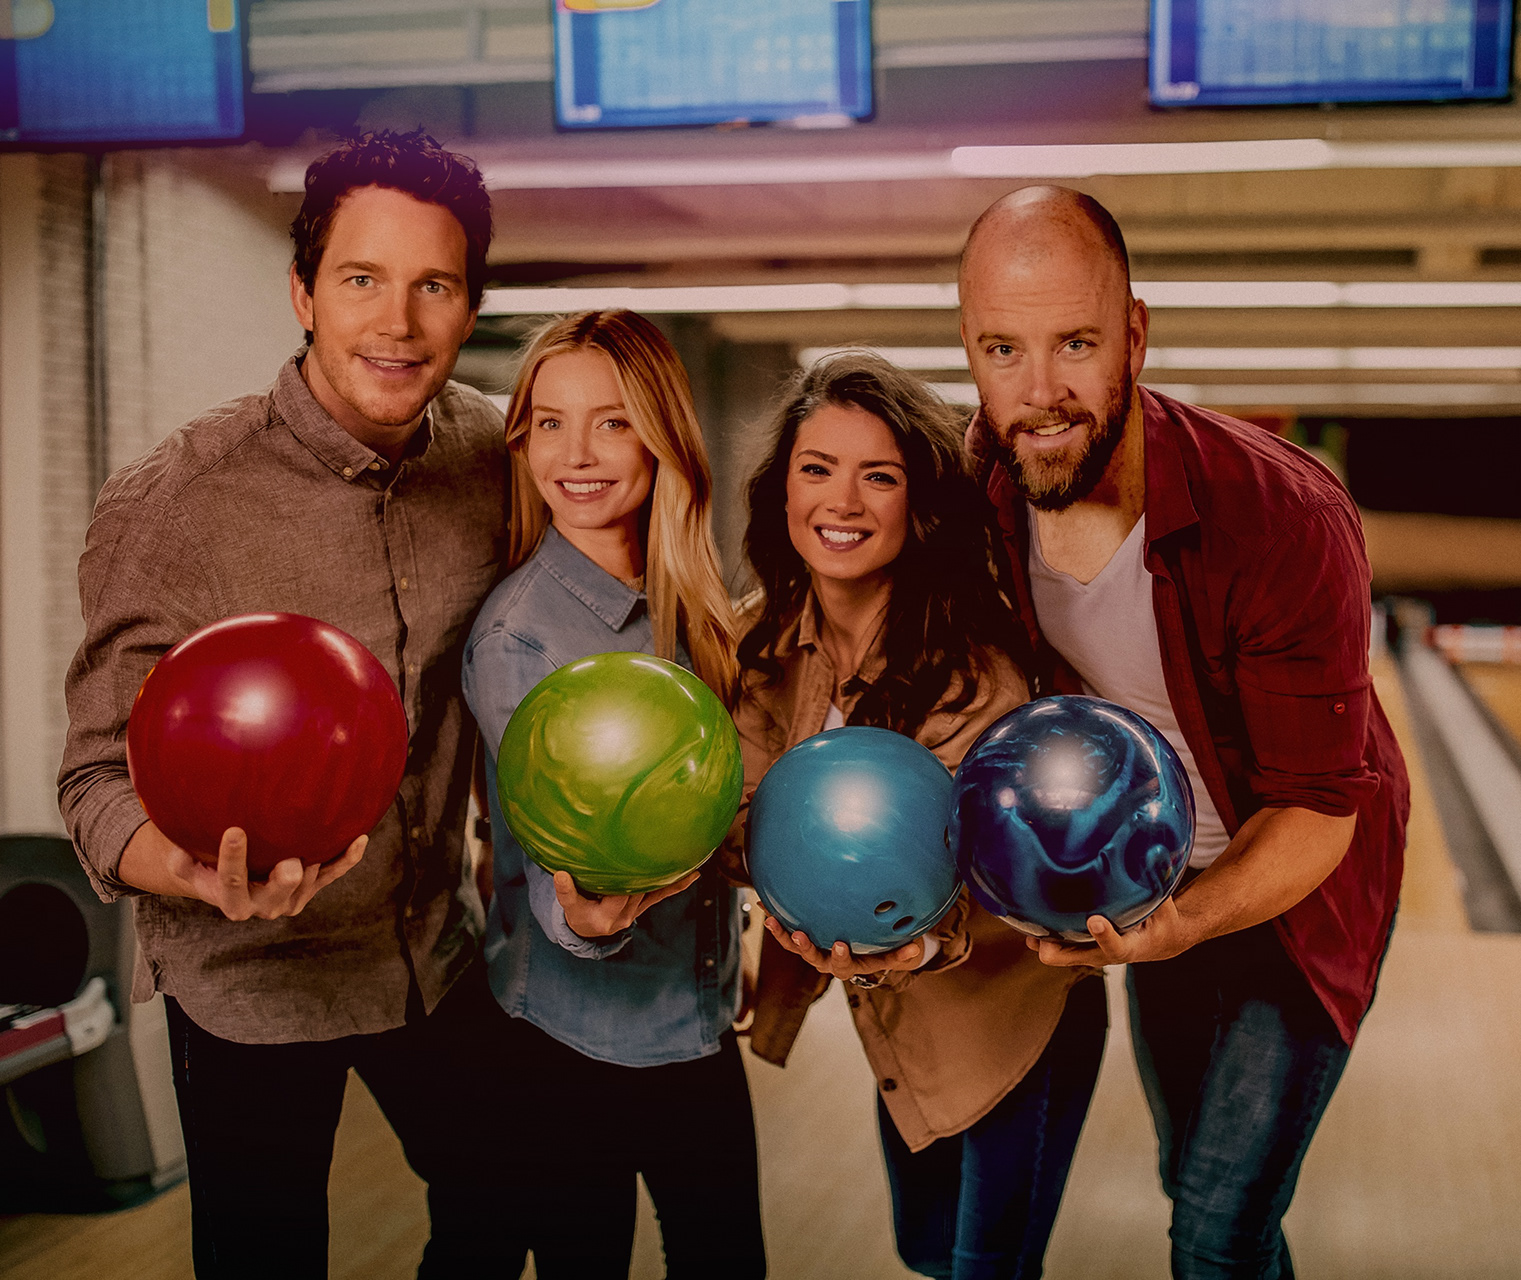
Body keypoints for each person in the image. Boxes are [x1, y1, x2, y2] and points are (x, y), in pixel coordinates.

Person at [59, 130, 525, 1278]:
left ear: (470, 305)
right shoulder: (178, 502)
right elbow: (89, 780)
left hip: (428, 947)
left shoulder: (495, 455)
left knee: (508, 1200)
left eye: (435, 285)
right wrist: (189, 869)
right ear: (303, 294)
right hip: (247, 979)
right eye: (362, 279)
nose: (398, 323)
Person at [957, 186, 1411, 1279]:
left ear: (1138, 337)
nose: (1040, 390)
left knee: (1213, 1228)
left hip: (1300, 886)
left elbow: (1316, 806)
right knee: (1195, 1184)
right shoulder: (972, 483)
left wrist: (1186, 921)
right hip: (1149, 871)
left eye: (1077, 342)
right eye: (1001, 348)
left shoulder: (1279, 516)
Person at [735, 351, 1108, 1280]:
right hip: (900, 1019)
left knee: (984, 1268)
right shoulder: (759, 642)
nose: (842, 501)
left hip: (1013, 1022)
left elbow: (981, 877)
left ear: (919, 503)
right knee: (924, 1250)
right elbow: (740, 819)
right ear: (783, 491)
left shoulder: (974, 671)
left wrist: (924, 942)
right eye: (816, 469)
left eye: (880, 476)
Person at [461, 309, 765, 1279]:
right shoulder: (521, 636)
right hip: (569, 1039)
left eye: (611, 420)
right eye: (548, 422)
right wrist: (588, 913)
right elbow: (553, 860)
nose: (575, 453)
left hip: (691, 1019)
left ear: (661, 435)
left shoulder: (692, 608)